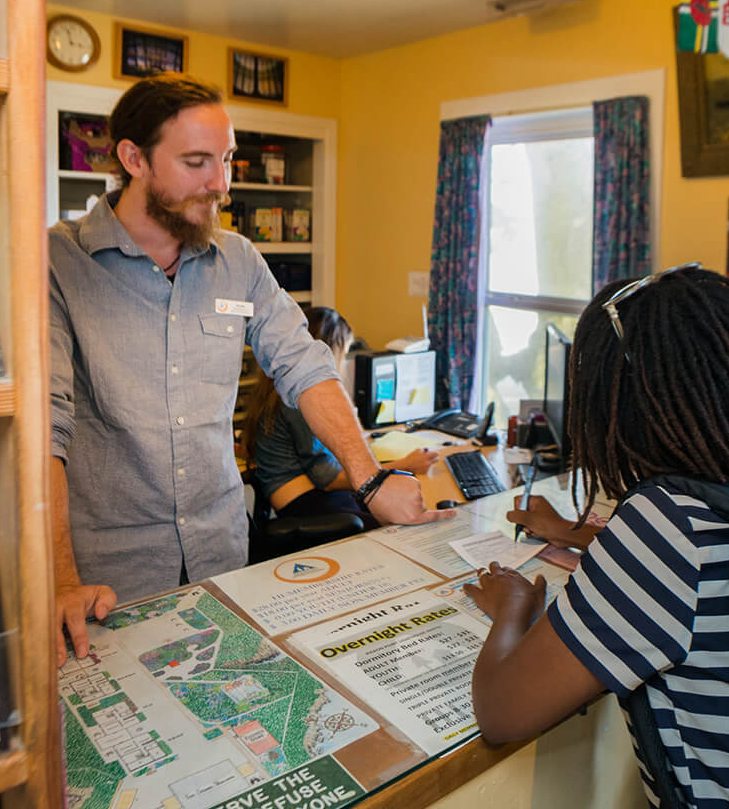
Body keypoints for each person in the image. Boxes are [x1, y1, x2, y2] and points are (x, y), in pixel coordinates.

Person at [49, 72, 452, 659]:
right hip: (109, 578)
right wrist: (60, 579)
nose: (221, 184)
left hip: (222, 554)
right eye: (196, 162)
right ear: (133, 158)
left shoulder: (238, 259)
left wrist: (369, 480)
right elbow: (45, 430)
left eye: (228, 159)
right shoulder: (59, 261)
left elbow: (306, 366)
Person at [463, 265, 729, 808]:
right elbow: (716, 572)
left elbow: (501, 712)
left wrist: (513, 608)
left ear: (616, 402)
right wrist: (575, 534)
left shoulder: (666, 524)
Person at [240, 305, 439, 520]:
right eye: (343, 355)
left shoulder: (278, 388)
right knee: (392, 519)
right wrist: (406, 465)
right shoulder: (301, 397)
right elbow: (328, 479)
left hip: (308, 491)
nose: (342, 364)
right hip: (305, 501)